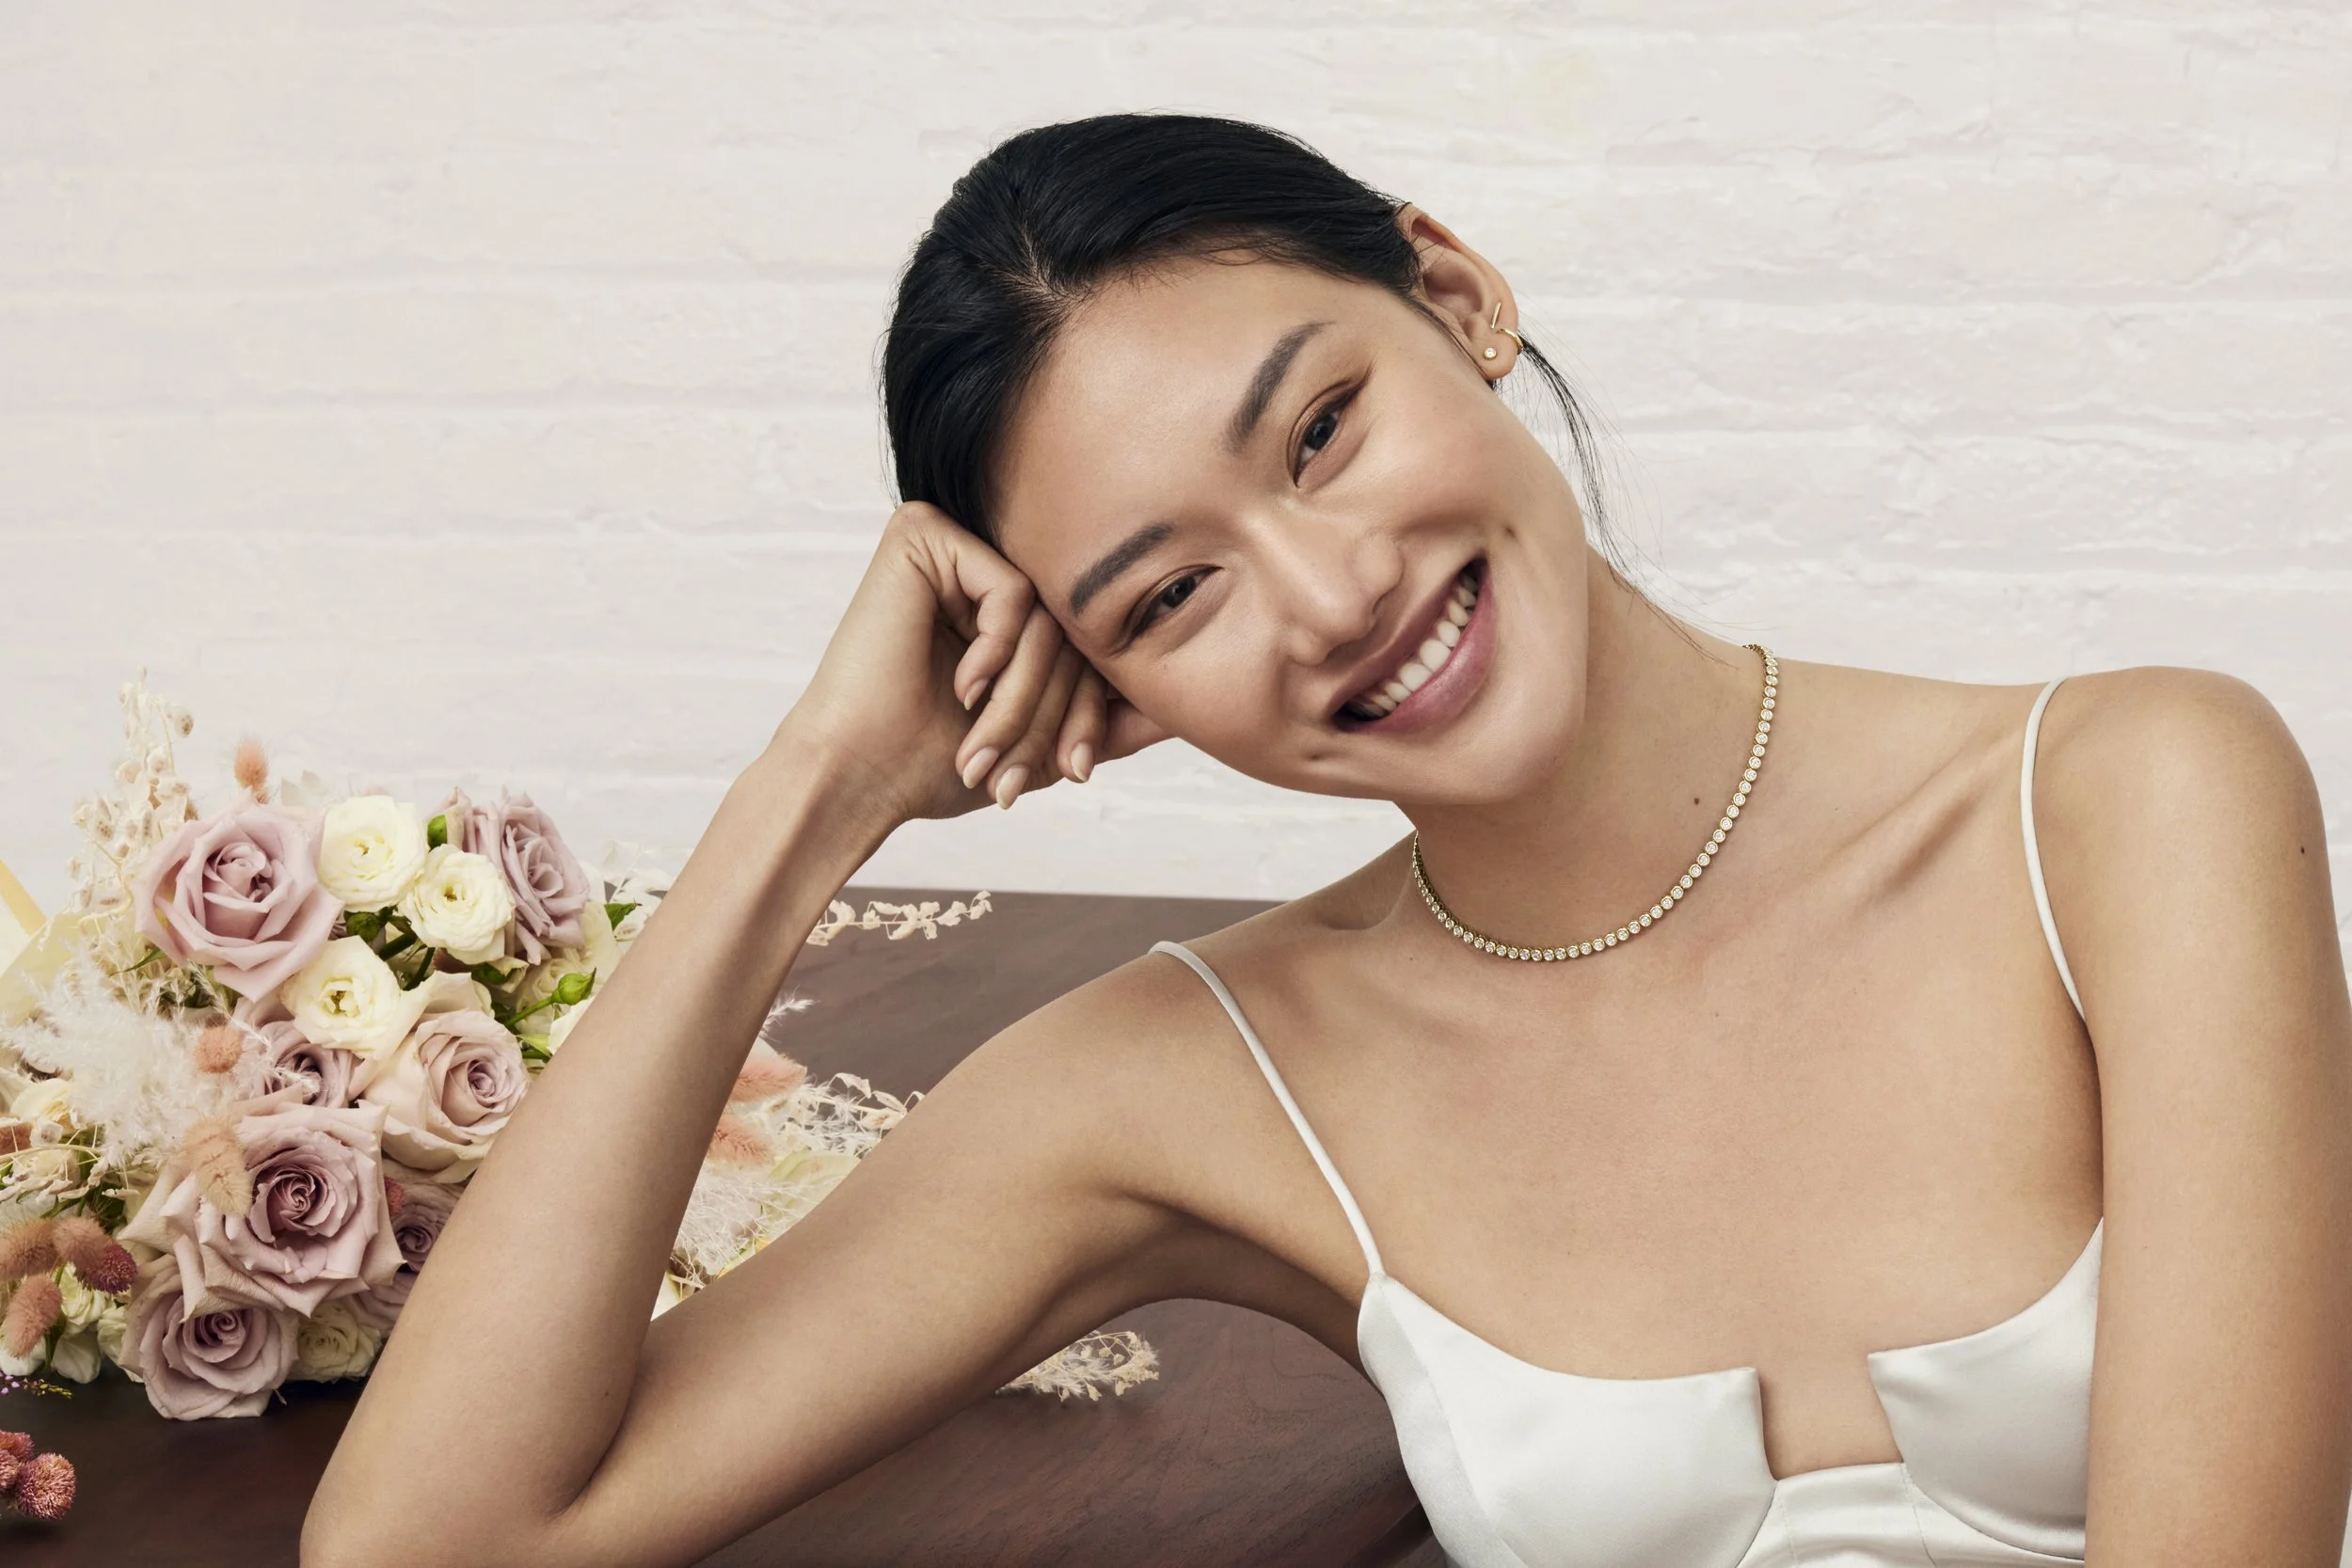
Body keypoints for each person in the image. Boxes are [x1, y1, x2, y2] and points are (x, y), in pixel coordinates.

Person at [303, 115, 2352, 1567]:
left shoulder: (2126, 801)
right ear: (1098, 678)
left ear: (1452, 295)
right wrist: (810, 795)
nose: (1331, 593)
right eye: (1169, 595)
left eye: (1318, 430)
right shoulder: (1195, 1077)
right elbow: (432, 1539)